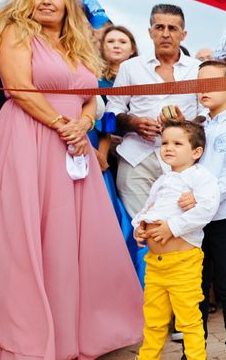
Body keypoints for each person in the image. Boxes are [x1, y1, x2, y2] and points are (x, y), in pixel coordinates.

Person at [0, 0, 143, 359]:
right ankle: (27, 327)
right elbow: (19, 89)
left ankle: (75, 326)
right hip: (29, 137)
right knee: (27, 230)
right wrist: (63, 125)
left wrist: (84, 123)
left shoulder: (76, 45)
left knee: (75, 234)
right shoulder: (16, 33)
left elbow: (91, 95)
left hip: (73, 143)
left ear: (69, 4)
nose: (46, 1)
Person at [174, 61, 226, 360]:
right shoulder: (200, 126)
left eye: (211, 82)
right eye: (200, 82)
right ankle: (193, 350)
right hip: (197, 218)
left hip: (225, 215)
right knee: (195, 285)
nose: (203, 88)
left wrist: (202, 199)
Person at [106, 4, 207, 216]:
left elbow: (207, 112)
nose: (166, 34)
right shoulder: (130, 67)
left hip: (182, 163)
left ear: (183, 34)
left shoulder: (197, 69)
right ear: (150, 32)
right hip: (136, 158)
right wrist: (133, 123)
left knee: (176, 225)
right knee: (140, 225)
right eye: (159, 27)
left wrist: (185, 124)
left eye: (172, 28)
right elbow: (112, 110)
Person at [132, 120, 220, 360]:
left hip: (183, 264)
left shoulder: (200, 177)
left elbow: (207, 208)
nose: (168, 147)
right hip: (155, 264)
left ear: (196, 152)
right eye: (165, 143)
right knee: (154, 320)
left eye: (177, 143)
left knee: (188, 320)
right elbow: (148, 208)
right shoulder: (162, 181)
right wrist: (139, 226)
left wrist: (172, 227)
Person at [95, 24, 146, 284]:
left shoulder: (141, 76)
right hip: (100, 151)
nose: (116, 45)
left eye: (122, 41)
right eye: (111, 41)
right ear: (101, 46)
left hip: (131, 152)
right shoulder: (91, 77)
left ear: (133, 47)